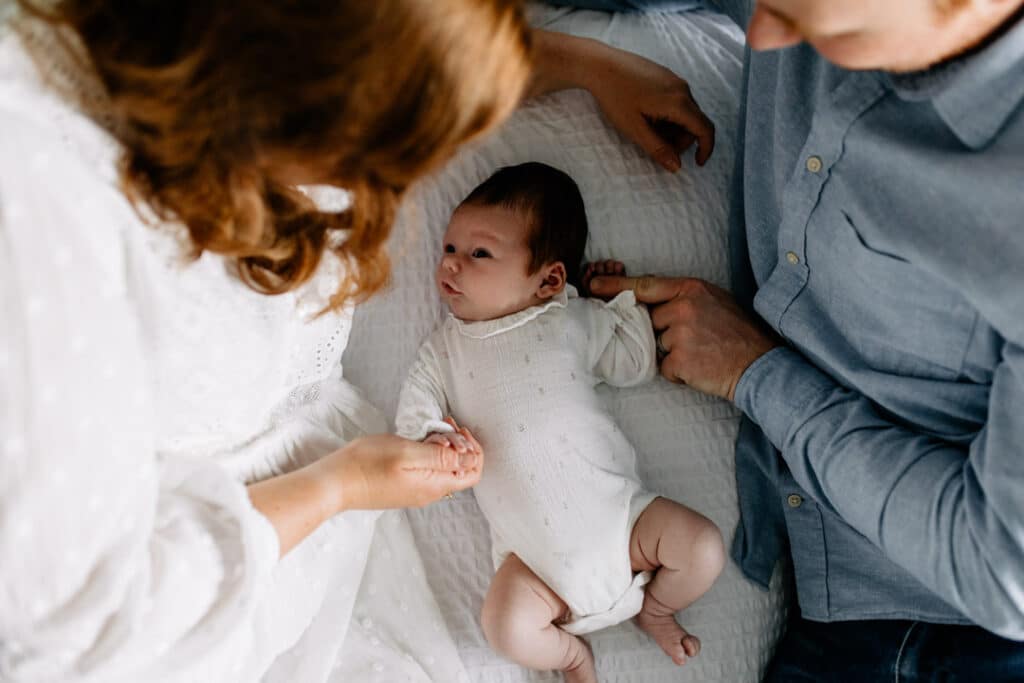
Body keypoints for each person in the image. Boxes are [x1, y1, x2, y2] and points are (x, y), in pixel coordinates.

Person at [0, 1, 717, 680]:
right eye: (381, 158)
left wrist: (585, 65)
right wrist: (340, 483)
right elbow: (81, 624)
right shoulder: (42, 210)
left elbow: (408, 56)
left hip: (345, 535)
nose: (390, 198)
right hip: (206, 591)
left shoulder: (279, 69)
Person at [555, 0, 1024, 679]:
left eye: (802, 21)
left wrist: (756, 371)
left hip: (967, 632)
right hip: (825, 591)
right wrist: (572, 60)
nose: (764, 36)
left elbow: (1003, 573)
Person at [394, 162, 726, 682]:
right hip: (534, 566)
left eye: (478, 253)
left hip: (626, 527)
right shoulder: (442, 352)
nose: (452, 265)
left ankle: (656, 609)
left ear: (549, 278)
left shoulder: (568, 318)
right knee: (504, 628)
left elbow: (635, 363)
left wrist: (610, 303)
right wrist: (442, 446)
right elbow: (413, 422)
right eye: (450, 249)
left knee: (703, 548)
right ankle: (571, 655)